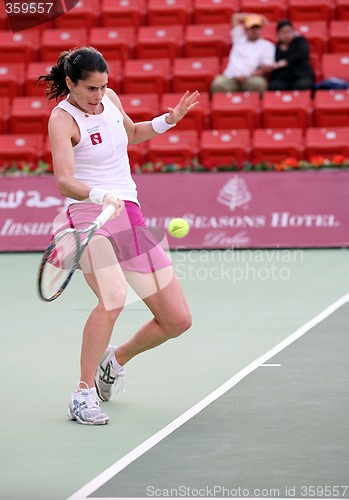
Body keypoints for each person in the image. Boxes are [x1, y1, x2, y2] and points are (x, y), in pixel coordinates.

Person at [38, 46, 199, 426]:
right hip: (90, 214)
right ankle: (82, 393)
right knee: (113, 298)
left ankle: (114, 361)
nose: (98, 96)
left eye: (103, 86)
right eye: (91, 89)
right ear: (70, 84)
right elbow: (64, 179)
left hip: (128, 213)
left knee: (177, 320)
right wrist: (98, 194)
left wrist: (168, 120)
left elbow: (132, 133)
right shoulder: (62, 119)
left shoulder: (109, 99)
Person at [210, 12, 275, 96]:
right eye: (251, 28)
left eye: (257, 28)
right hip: (231, 76)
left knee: (260, 84)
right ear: (246, 29)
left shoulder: (267, 45)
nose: (254, 31)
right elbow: (235, 17)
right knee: (217, 84)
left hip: (252, 77)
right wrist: (259, 17)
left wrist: (247, 75)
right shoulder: (239, 38)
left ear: (260, 29)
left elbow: (265, 68)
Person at [266, 19, 314, 91]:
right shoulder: (274, 48)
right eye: (283, 32)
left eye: (288, 31)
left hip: (301, 76)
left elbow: (301, 54)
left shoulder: (300, 42)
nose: (286, 35)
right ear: (278, 34)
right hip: (282, 79)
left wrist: (284, 62)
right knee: (274, 86)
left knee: (301, 86)